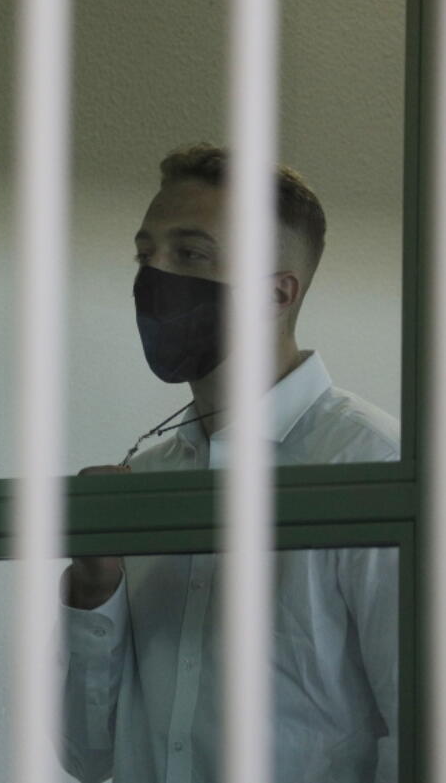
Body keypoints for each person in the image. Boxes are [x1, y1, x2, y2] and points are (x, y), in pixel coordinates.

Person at [60, 144, 399, 783]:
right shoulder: (146, 485)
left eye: (190, 253)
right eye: (145, 253)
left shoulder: (376, 470)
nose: (154, 275)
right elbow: (87, 754)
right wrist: (92, 586)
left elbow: (426, 737)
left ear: (276, 294)